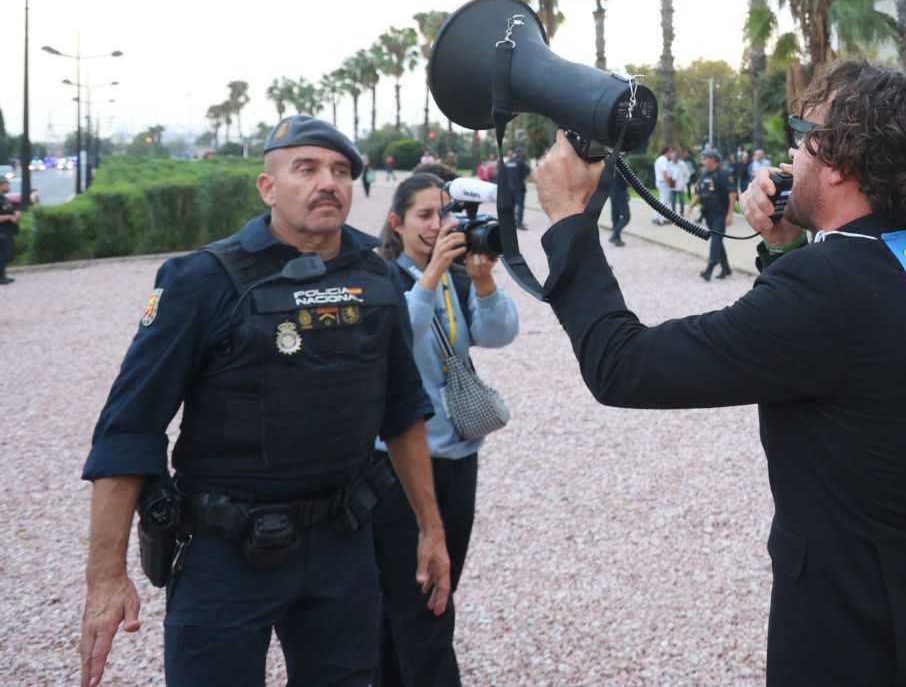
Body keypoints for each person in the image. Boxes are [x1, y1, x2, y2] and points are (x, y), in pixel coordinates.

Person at [531, 60, 906, 684]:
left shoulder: (832, 288)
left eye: (802, 133)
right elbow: (862, 371)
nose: (790, 153)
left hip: (850, 630)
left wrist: (571, 220)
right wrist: (788, 247)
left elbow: (623, 366)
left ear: (840, 161)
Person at [78, 115, 450, 687]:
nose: (328, 182)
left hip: (341, 545)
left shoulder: (376, 280)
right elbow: (130, 428)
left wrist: (431, 528)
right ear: (268, 188)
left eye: (341, 171)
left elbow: (403, 411)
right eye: (307, 169)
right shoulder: (203, 280)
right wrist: (106, 576)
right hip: (225, 552)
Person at [375, 173, 519, 686]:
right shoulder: (385, 278)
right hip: (402, 466)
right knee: (424, 604)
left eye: (443, 214)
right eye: (424, 216)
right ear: (397, 222)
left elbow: (499, 335)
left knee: (435, 589)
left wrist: (482, 281)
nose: (438, 226)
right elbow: (395, 341)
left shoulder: (454, 273)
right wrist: (431, 276)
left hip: (459, 454)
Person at [689, 148, 735, 281]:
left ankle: (710, 268)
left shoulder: (724, 174)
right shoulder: (704, 175)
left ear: (713, 160)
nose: (702, 160)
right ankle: (726, 268)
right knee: (717, 240)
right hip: (708, 213)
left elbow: (732, 193)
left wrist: (730, 214)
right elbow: (699, 193)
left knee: (715, 238)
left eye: (705, 158)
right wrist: (691, 206)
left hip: (721, 212)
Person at [502, 149, 531, 230]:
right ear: (520, 153)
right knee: (520, 205)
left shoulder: (508, 162)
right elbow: (528, 173)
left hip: (509, 186)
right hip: (519, 186)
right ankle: (519, 223)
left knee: (512, 205)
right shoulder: (521, 161)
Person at [0, 176, 19, 285]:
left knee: (7, 255)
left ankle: (2, 275)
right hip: (2, 232)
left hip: (7, 231)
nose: (8, 186)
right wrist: (9, 217)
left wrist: (15, 216)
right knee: (5, 255)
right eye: (6, 184)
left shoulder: (4, 199)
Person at [608, 169, 631, 246]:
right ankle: (615, 235)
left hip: (612, 194)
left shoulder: (610, 167)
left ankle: (617, 239)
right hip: (620, 195)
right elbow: (625, 182)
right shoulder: (620, 168)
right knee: (626, 216)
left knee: (615, 217)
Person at [652, 146, 672, 225]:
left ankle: (664, 218)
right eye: (670, 152)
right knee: (663, 202)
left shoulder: (660, 159)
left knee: (665, 201)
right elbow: (665, 173)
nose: (671, 154)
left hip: (661, 182)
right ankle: (657, 218)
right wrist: (669, 182)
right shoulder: (663, 159)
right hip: (663, 182)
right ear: (667, 152)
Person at [669, 150, 690, 215]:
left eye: (673, 157)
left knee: (681, 199)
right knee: (672, 200)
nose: (672, 159)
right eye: (671, 157)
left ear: (677, 157)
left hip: (681, 184)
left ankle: (682, 212)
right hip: (672, 184)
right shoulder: (669, 164)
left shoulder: (682, 164)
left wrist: (684, 183)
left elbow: (687, 175)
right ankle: (673, 213)